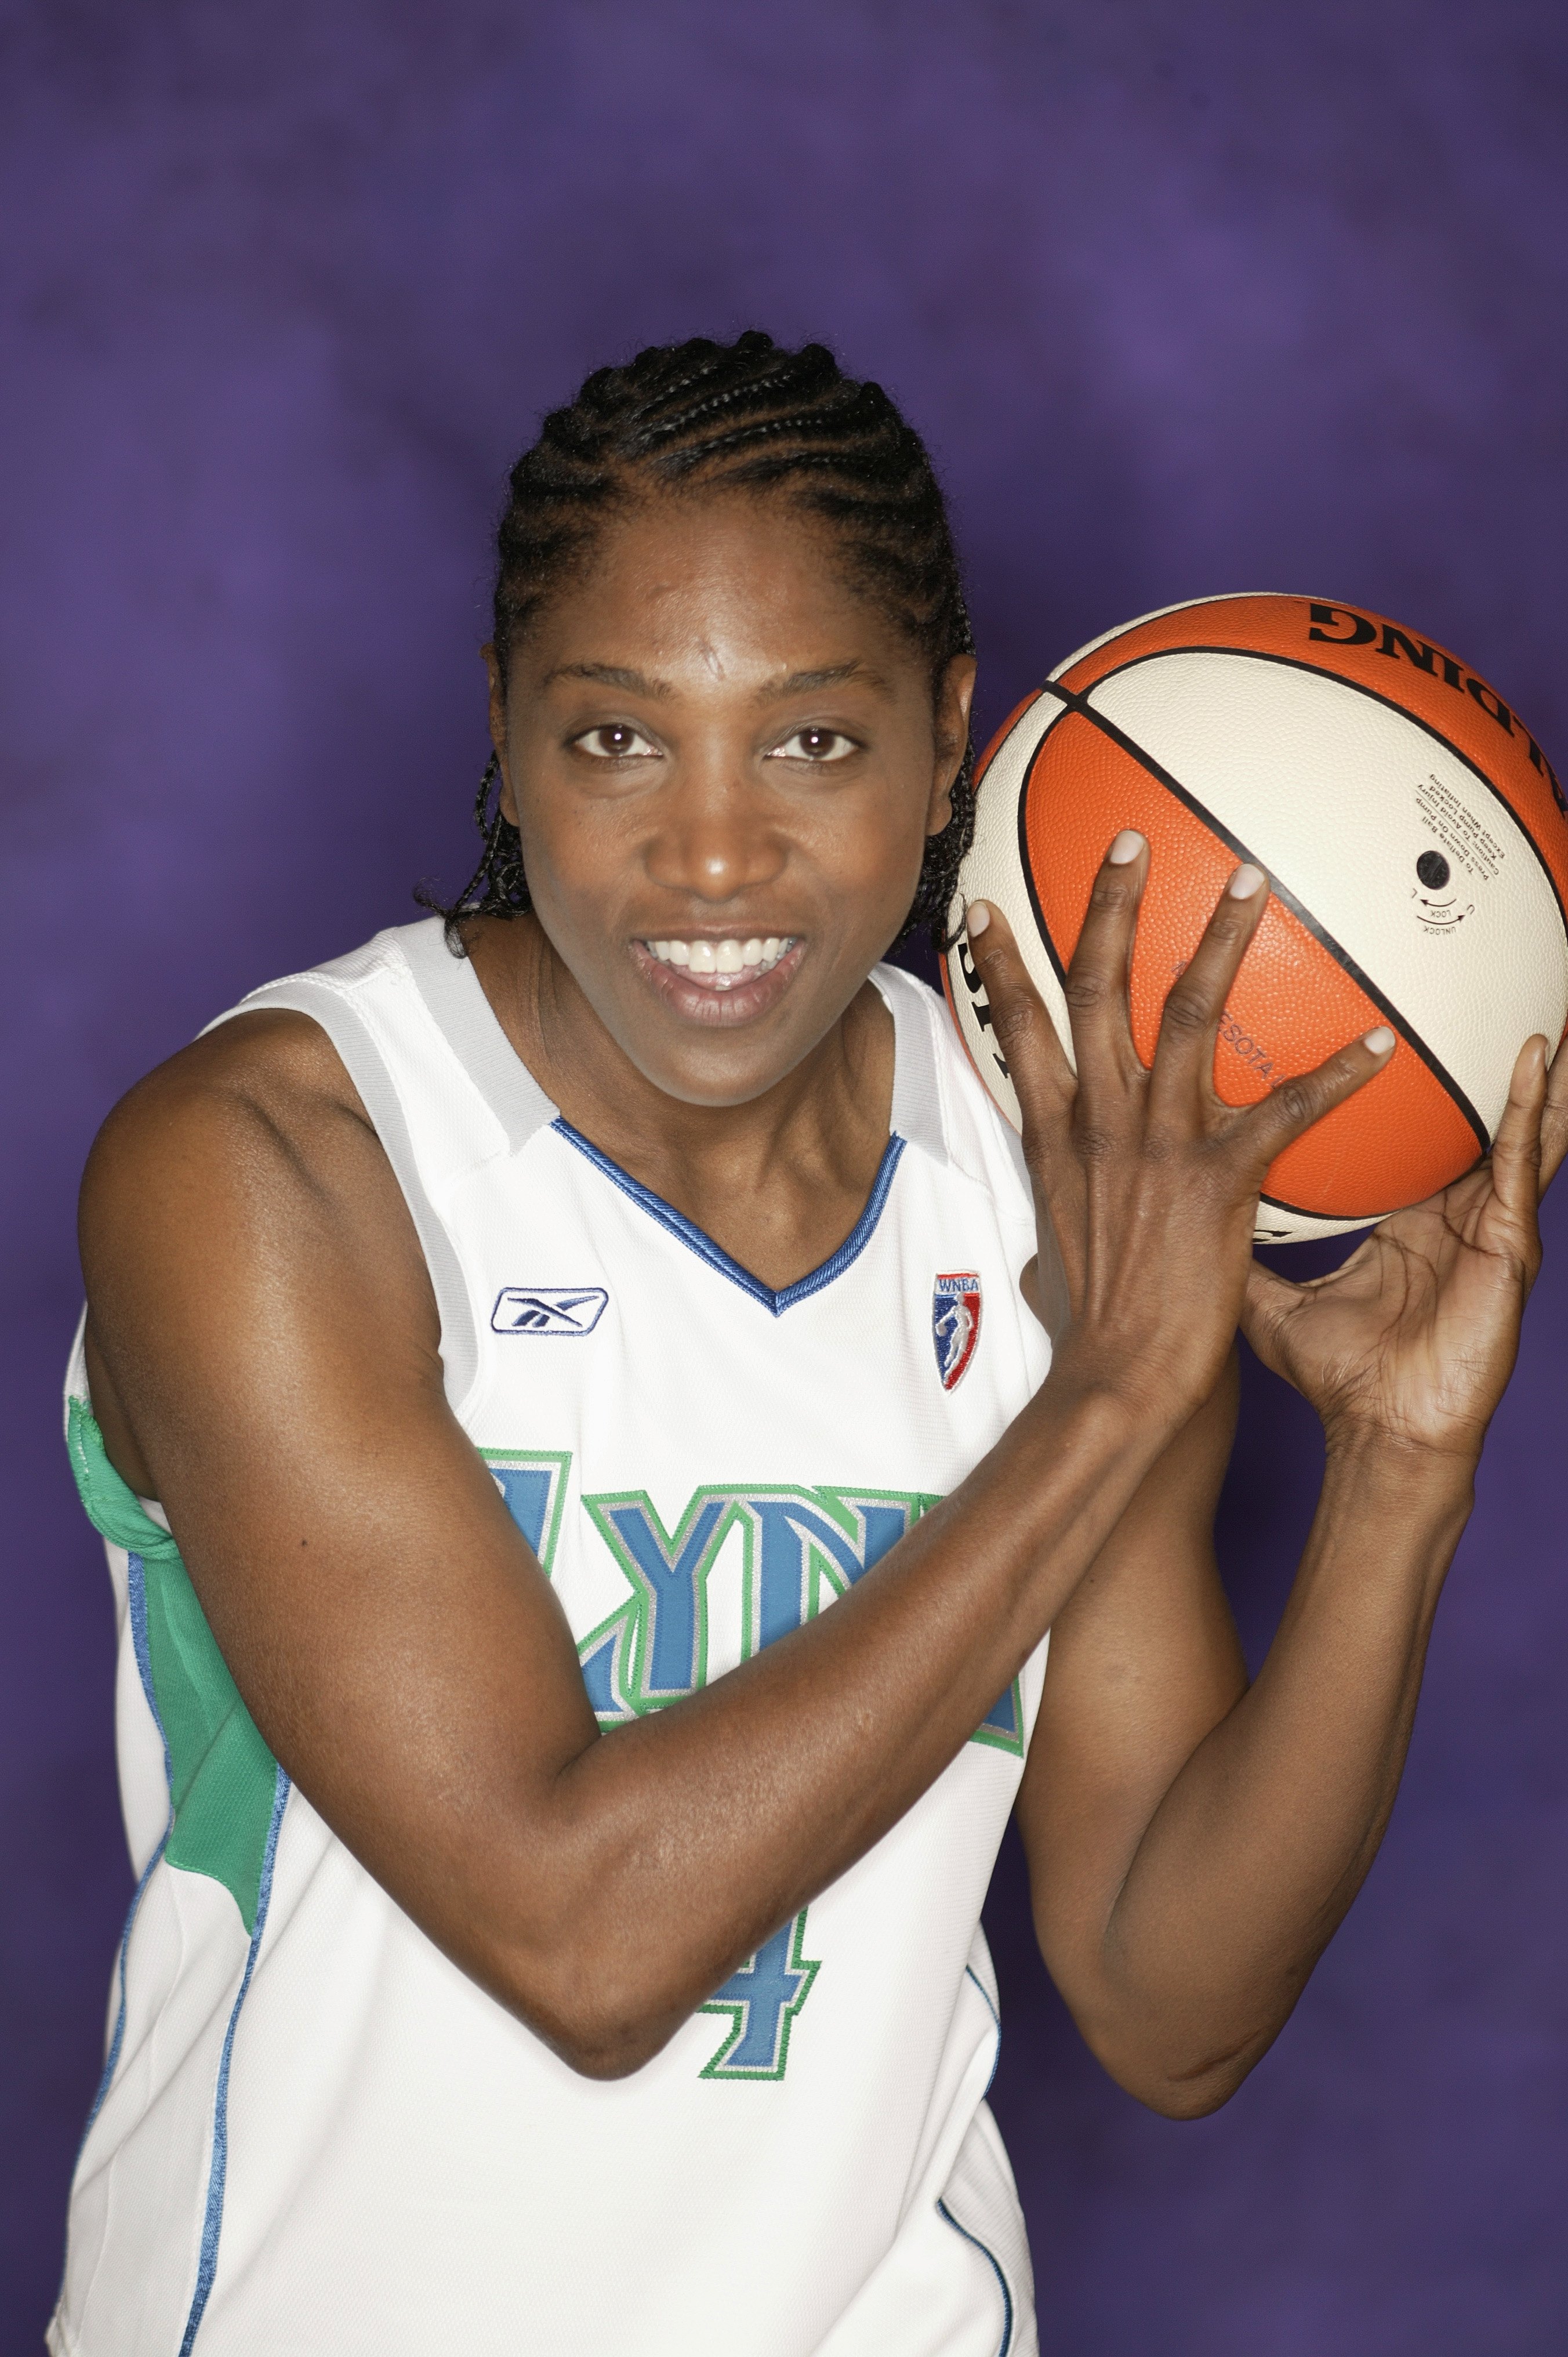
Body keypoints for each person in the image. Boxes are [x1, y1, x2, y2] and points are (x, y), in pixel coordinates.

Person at [56, 332, 1566, 2357]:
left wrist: (1400, 1478)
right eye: (616, 741)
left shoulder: (1056, 1184)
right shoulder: (271, 1164)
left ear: (952, 742)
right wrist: (1112, 1391)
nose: (711, 857)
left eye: (812, 742)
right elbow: (580, 1934)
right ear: (503, 734)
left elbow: (1166, 2005)